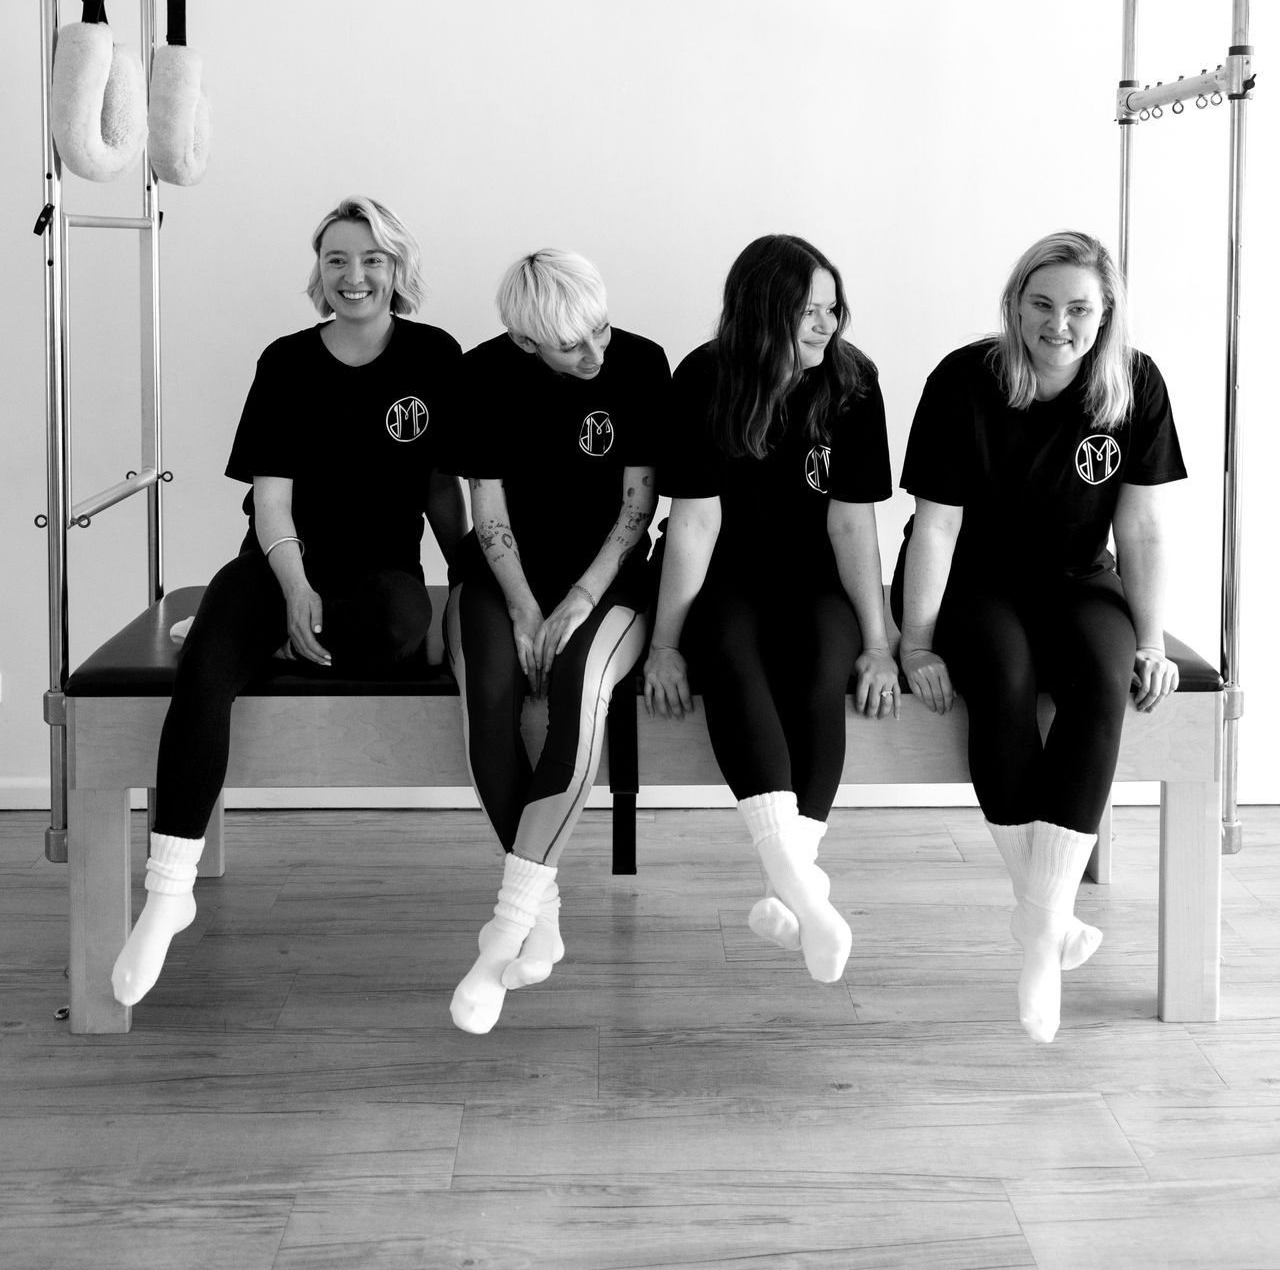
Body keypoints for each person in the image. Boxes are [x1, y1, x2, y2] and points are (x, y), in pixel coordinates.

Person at [110, 195, 466, 1006]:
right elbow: (272, 503)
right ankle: (169, 889)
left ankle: (268, 639)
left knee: (405, 629)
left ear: (397, 270)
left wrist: (470, 593)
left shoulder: (435, 356)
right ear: (320, 270)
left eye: (372, 259)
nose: (354, 276)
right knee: (205, 670)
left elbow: (445, 489)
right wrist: (296, 587)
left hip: (382, 572)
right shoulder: (286, 361)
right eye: (338, 259)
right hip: (279, 563)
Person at [892, 229, 1184, 1043]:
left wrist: (1153, 640)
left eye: (1080, 308)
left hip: (1077, 581)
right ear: (1016, 305)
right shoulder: (964, 378)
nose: (1060, 324)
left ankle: (1038, 927)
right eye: (1043, 304)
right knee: (1007, 678)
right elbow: (936, 529)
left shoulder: (1134, 383)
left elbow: (1144, 525)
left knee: (1100, 678)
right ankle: (1046, 926)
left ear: (1106, 313)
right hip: (972, 583)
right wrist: (916, 643)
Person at [643, 234, 895, 986]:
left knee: (824, 665)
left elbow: (852, 524)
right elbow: (695, 522)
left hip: (814, 580)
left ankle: (794, 886)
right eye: (808, 312)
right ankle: (805, 897)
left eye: (832, 308)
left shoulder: (852, 382)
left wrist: (879, 642)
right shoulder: (705, 377)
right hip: (727, 576)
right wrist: (664, 645)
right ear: (763, 313)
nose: (826, 325)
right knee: (731, 659)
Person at [442, 249, 670, 1034]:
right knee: (495, 698)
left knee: (577, 692)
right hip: (503, 581)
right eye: (573, 345)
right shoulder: (481, 375)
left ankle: (500, 934)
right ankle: (542, 906)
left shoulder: (640, 363)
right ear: (527, 342)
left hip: (607, 580)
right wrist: (523, 607)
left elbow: (637, 506)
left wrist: (575, 598)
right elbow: (488, 509)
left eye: (600, 330)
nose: (596, 352)